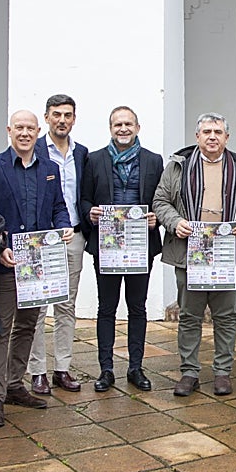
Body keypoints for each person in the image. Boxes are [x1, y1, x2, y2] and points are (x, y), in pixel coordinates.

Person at [0, 110, 73, 426]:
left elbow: (58, 207)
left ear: (38, 130)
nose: (25, 133)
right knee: (0, 331)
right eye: (19, 127)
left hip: (38, 266)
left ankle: (15, 385)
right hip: (6, 263)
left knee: (28, 326)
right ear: (9, 130)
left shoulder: (49, 168)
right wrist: (0, 248)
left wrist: (63, 227)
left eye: (30, 128)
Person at [154, 112, 236, 397]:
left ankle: (222, 372)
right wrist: (175, 222)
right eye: (206, 132)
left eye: (218, 132)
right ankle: (189, 372)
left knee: (226, 316)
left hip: (227, 253)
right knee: (189, 315)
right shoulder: (178, 166)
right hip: (189, 251)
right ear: (197, 136)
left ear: (227, 137)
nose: (212, 136)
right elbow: (160, 200)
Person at [79, 106, 164, 392]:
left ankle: (136, 368)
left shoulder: (154, 161)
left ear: (137, 127)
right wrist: (90, 212)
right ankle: (106, 370)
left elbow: (161, 201)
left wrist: (156, 217)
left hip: (141, 246)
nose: (123, 129)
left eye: (128, 124)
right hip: (107, 247)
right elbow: (84, 199)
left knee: (137, 308)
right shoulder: (94, 159)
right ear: (110, 128)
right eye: (118, 124)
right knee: (107, 308)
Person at [28, 94, 89, 393]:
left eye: (67, 115)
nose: (62, 120)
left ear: (74, 119)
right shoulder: (34, 149)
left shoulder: (82, 153)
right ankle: (37, 370)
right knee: (37, 308)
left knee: (66, 306)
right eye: (56, 114)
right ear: (47, 118)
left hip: (73, 238)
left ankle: (62, 369)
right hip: (41, 241)